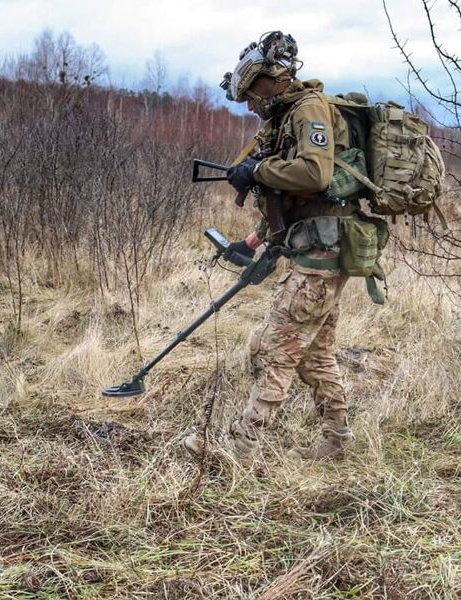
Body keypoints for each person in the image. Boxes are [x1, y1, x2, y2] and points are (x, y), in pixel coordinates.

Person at [184, 32, 361, 464]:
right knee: (314, 353)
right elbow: (292, 198)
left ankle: (241, 446)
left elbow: (314, 176)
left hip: (324, 250)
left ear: (273, 77)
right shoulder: (284, 117)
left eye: (251, 93)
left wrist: (258, 170)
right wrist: (254, 238)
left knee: (274, 345)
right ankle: (337, 441)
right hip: (314, 246)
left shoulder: (309, 110)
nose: (248, 104)